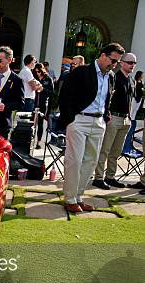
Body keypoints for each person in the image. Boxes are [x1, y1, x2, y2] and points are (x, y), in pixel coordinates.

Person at [59, 42, 125, 213]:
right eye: (113, 60)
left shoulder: (110, 76)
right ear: (103, 55)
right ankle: (70, 198)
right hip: (78, 120)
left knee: (90, 162)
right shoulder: (81, 71)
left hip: (98, 123)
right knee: (74, 160)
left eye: (117, 62)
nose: (114, 64)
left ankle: (79, 197)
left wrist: (106, 115)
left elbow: (106, 98)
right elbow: (65, 95)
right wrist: (70, 119)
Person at [93, 53, 137, 190]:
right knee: (105, 149)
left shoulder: (131, 80)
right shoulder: (114, 77)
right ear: (122, 63)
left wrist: (130, 116)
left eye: (134, 63)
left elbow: (131, 100)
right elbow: (106, 96)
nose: (132, 65)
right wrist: (108, 113)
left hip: (125, 119)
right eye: (130, 62)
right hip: (114, 118)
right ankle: (98, 177)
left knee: (116, 151)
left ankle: (110, 177)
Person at [34, 63, 54, 148]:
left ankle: (38, 142)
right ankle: (30, 140)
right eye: (36, 72)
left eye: (39, 71)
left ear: (42, 71)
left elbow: (51, 92)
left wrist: (43, 89)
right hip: (34, 102)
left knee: (40, 123)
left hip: (43, 103)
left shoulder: (48, 79)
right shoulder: (34, 78)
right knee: (32, 122)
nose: (38, 73)